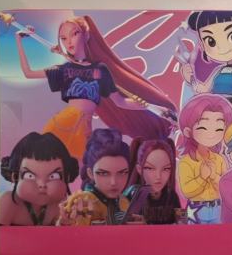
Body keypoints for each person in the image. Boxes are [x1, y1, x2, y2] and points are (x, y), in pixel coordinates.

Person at [14, 15, 175, 161]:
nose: (69, 42)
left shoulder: (100, 70)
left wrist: (155, 108)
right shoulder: (64, 70)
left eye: (74, 34)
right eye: (63, 38)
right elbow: (28, 73)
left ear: (86, 35)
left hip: (84, 131)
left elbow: (120, 102)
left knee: (80, 168)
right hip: (61, 125)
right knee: (48, 165)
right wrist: (19, 41)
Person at [181, 10, 232, 114]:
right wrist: (191, 79)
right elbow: (204, 89)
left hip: (230, 107)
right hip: (214, 108)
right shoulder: (219, 70)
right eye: (211, 41)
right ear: (203, 45)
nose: (222, 47)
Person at [177, 93, 232, 224]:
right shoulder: (186, 162)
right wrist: (201, 178)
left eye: (219, 129)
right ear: (188, 131)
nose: (211, 135)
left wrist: (214, 177)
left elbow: (227, 189)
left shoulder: (219, 160)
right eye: (203, 128)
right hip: (196, 209)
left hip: (218, 208)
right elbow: (187, 192)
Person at [0, 131, 78, 226]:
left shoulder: (60, 204)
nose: (42, 184)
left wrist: (66, 223)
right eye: (30, 176)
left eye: (53, 176)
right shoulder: (9, 202)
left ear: (67, 177)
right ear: (15, 177)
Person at [57, 128, 132, 225]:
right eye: (104, 173)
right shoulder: (81, 201)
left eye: (122, 173)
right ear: (90, 173)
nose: (113, 182)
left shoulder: (124, 202)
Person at [124, 138, 182, 224]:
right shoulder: (132, 197)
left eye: (166, 169)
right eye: (150, 168)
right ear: (139, 169)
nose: (158, 176)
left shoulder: (172, 196)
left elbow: (182, 224)